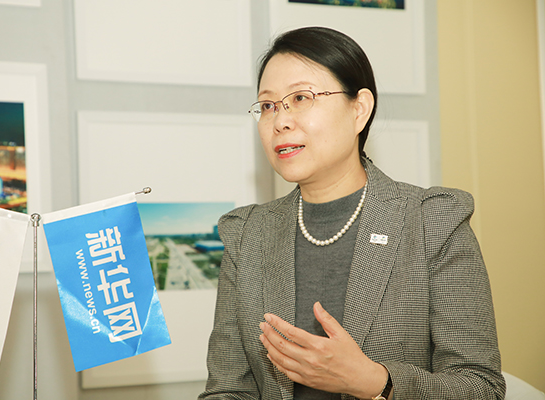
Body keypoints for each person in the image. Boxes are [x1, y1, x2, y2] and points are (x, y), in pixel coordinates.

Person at [199, 26, 506, 400]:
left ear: (359, 109)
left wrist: (374, 381)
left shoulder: (432, 223)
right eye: (267, 106)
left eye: (300, 97)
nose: (280, 121)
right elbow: (229, 389)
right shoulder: (247, 234)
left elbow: (481, 387)